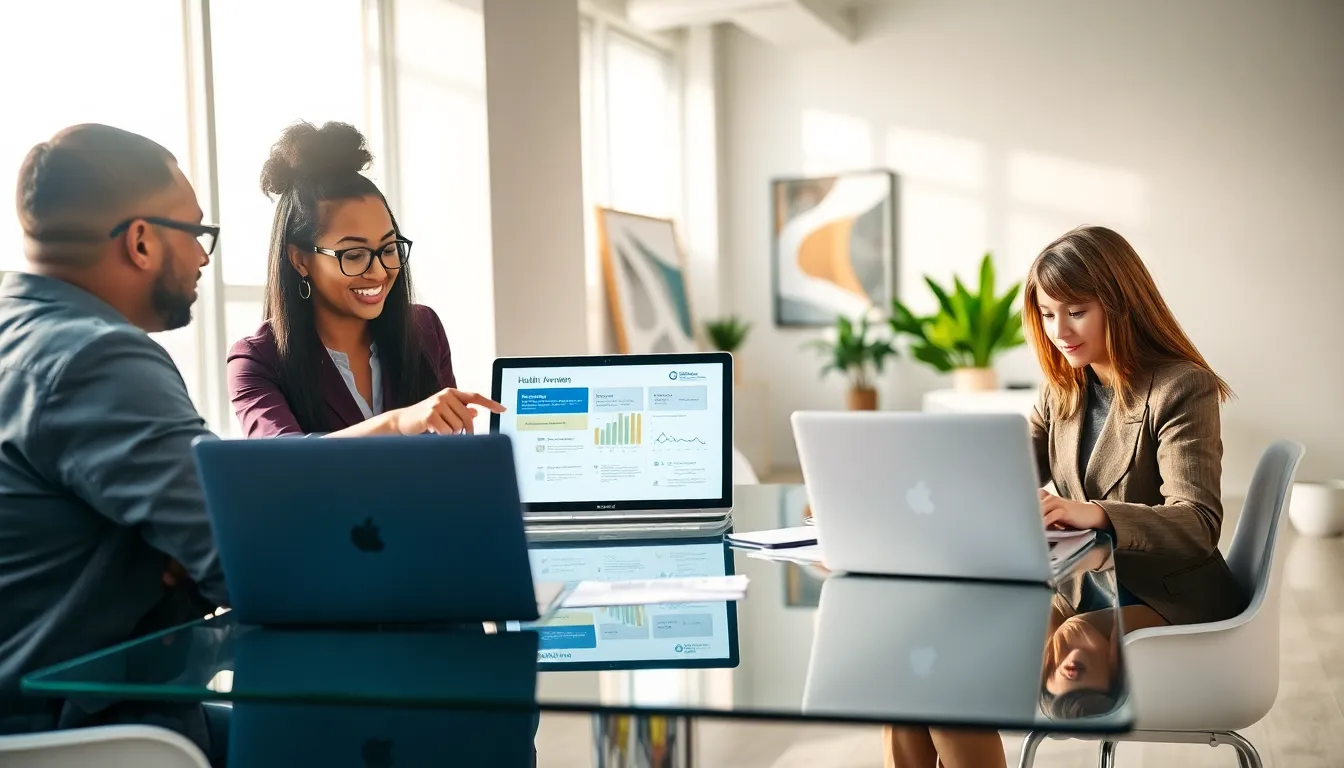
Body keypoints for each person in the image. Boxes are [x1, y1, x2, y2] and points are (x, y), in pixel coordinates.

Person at [884, 225, 1241, 768]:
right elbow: (1000, 477)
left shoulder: (1180, 387)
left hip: (1169, 600)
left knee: (958, 681)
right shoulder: (1063, 390)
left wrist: (1095, 512)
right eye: (1047, 314)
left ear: (1121, 305)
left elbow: (1197, 522)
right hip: (1079, 591)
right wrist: (901, 493)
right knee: (918, 666)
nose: (1059, 331)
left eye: (1075, 310)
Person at [0, 124, 228, 761]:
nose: (205, 257)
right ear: (142, 240)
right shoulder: (99, 357)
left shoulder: (14, 330)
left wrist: (180, 547)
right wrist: (200, 559)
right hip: (77, 734)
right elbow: (241, 556)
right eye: (198, 233)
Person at [227, 121, 503, 436]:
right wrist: (398, 423)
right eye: (354, 255)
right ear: (299, 259)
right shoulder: (257, 360)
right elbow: (283, 464)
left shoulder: (423, 330)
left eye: (388, 248)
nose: (380, 271)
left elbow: (448, 458)